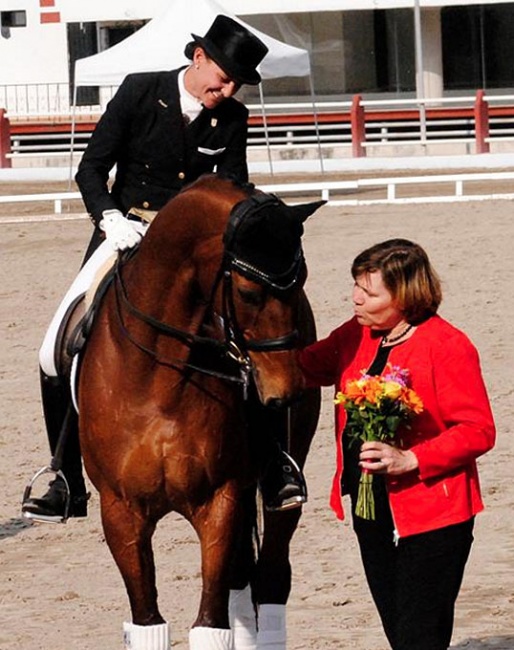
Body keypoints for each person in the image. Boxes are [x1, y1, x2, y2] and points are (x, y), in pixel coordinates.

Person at [22, 14, 307, 523]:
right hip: (125, 231)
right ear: (198, 57)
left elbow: (234, 188)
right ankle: (63, 474)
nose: (227, 89)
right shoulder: (139, 91)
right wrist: (108, 216)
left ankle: (273, 466)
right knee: (52, 348)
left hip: (194, 251)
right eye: (222, 78)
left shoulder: (232, 119)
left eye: (236, 83)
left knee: (247, 340)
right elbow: (91, 167)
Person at [298, 238, 495, 650]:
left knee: (418, 637)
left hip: (434, 514)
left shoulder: (448, 345)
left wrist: (411, 458)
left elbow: (479, 430)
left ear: (405, 296)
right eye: (355, 286)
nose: (355, 298)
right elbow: (300, 367)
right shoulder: (355, 334)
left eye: (369, 293)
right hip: (369, 510)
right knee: (399, 631)